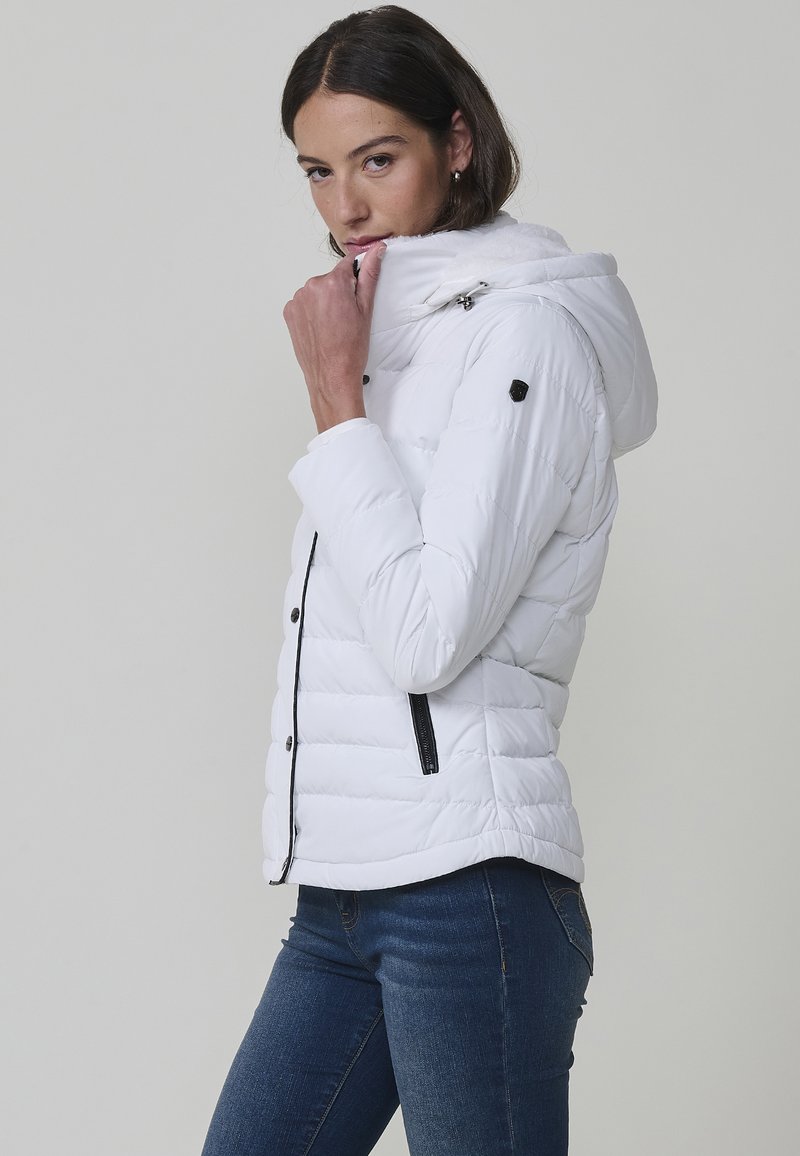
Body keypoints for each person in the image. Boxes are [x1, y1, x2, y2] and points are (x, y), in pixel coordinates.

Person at [200, 6, 658, 1154]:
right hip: (344, 894)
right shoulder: (398, 346)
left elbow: (424, 637)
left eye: (376, 160)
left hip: (468, 897)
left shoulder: (524, 339)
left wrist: (333, 404)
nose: (345, 205)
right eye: (317, 171)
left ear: (455, 143)